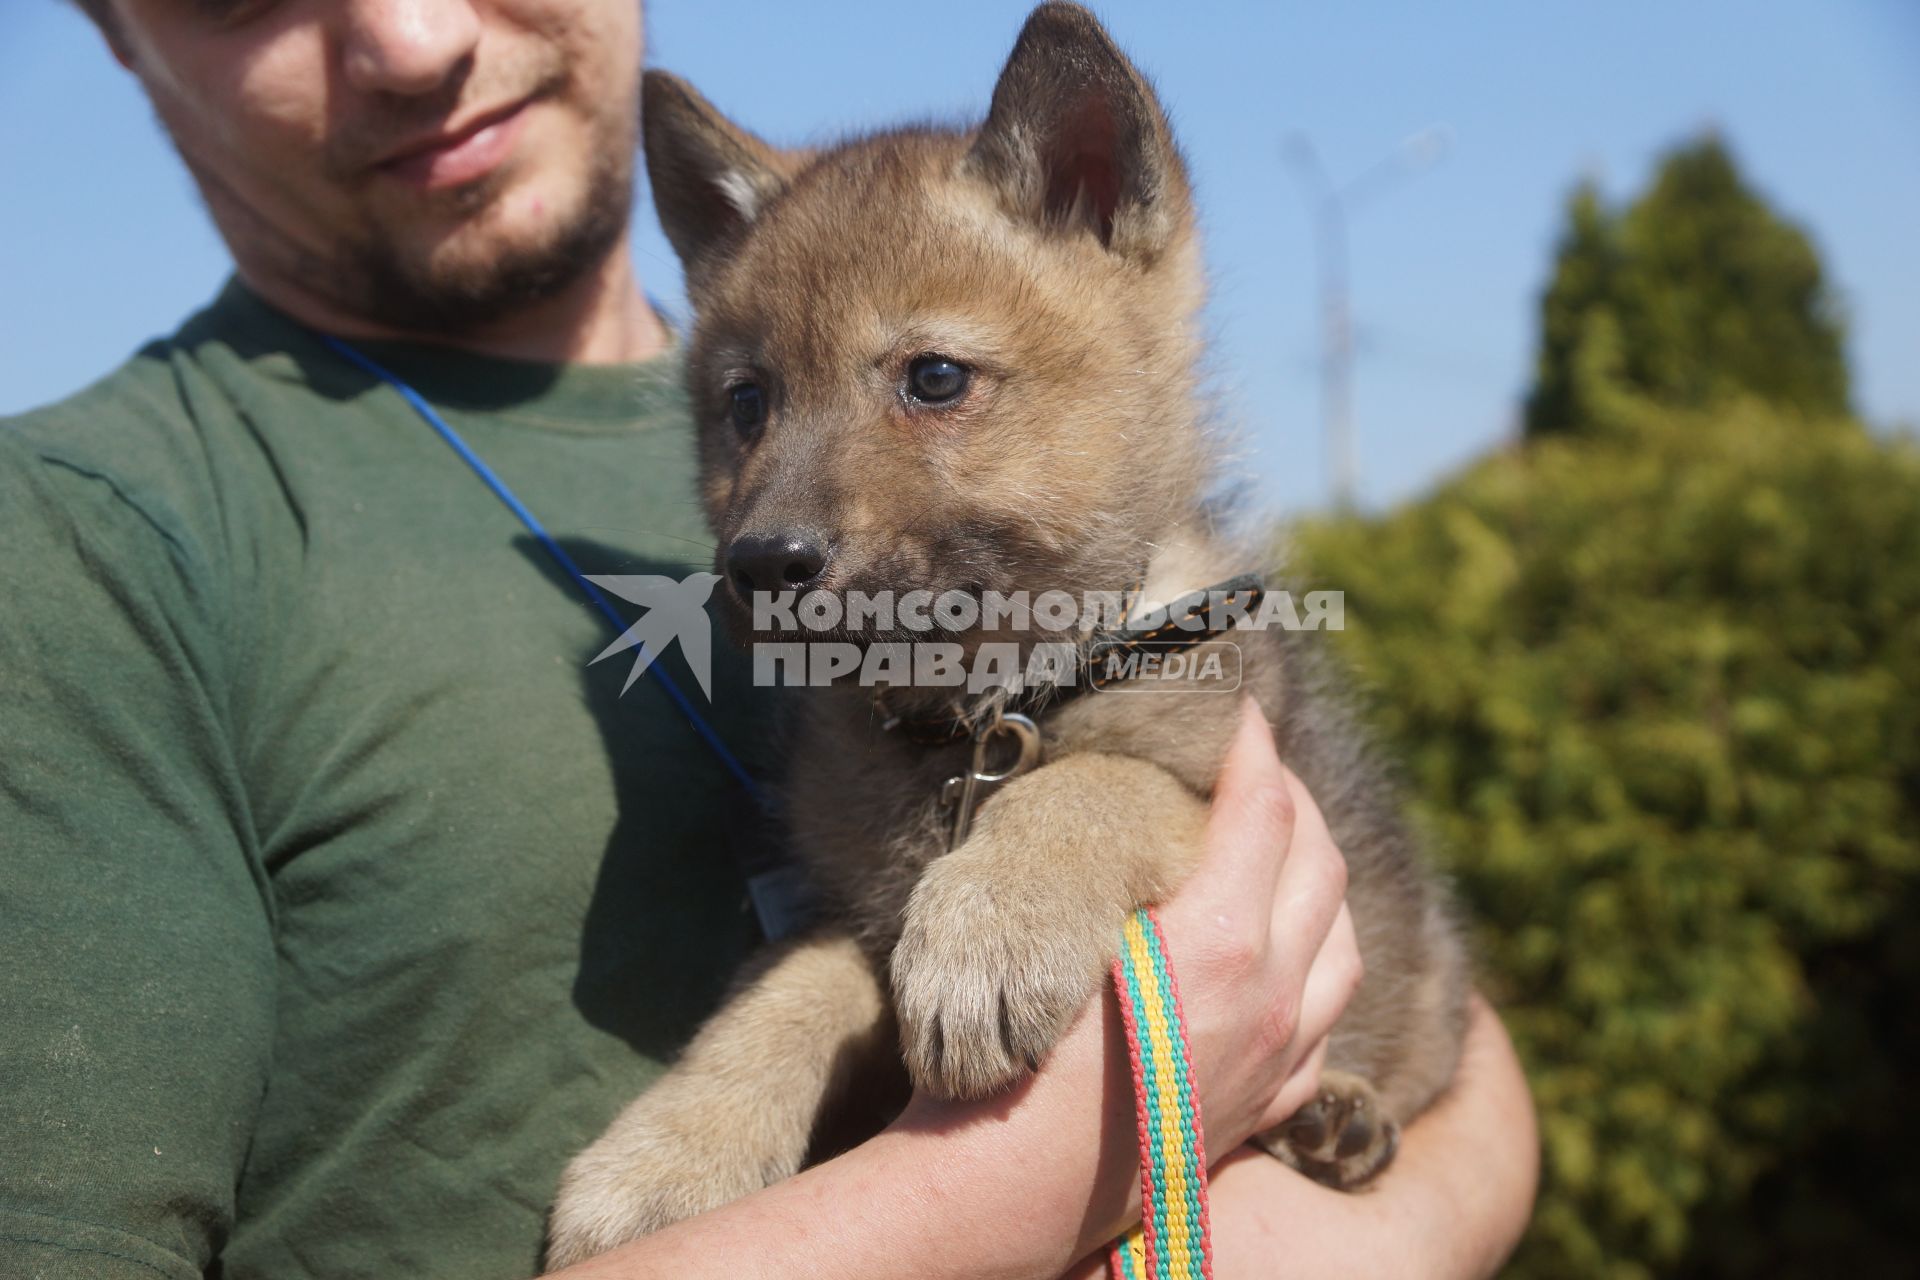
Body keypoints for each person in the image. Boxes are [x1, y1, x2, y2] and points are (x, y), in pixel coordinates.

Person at [0, 2, 1539, 1277]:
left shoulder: (1032, 510)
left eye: (931, 384)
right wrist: (1041, 1174)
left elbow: (1432, 1032)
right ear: (113, 35)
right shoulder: (98, 536)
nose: (408, 39)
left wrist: (1360, 1231)